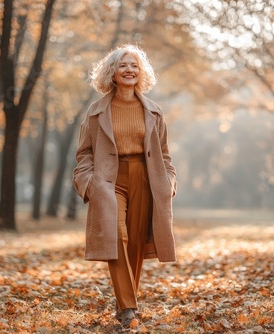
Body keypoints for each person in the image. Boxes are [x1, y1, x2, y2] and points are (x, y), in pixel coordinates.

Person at [73, 44, 177, 328]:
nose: (129, 70)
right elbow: (84, 154)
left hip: (146, 178)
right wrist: (89, 183)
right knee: (116, 236)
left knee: (136, 244)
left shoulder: (154, 112)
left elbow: (165, 155)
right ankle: (129, 307)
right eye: (123, 65)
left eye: (134, 65)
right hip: (109, 179)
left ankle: (124, 307)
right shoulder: (96, 112)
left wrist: (169, 182)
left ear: (140, 73)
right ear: (112, 73)